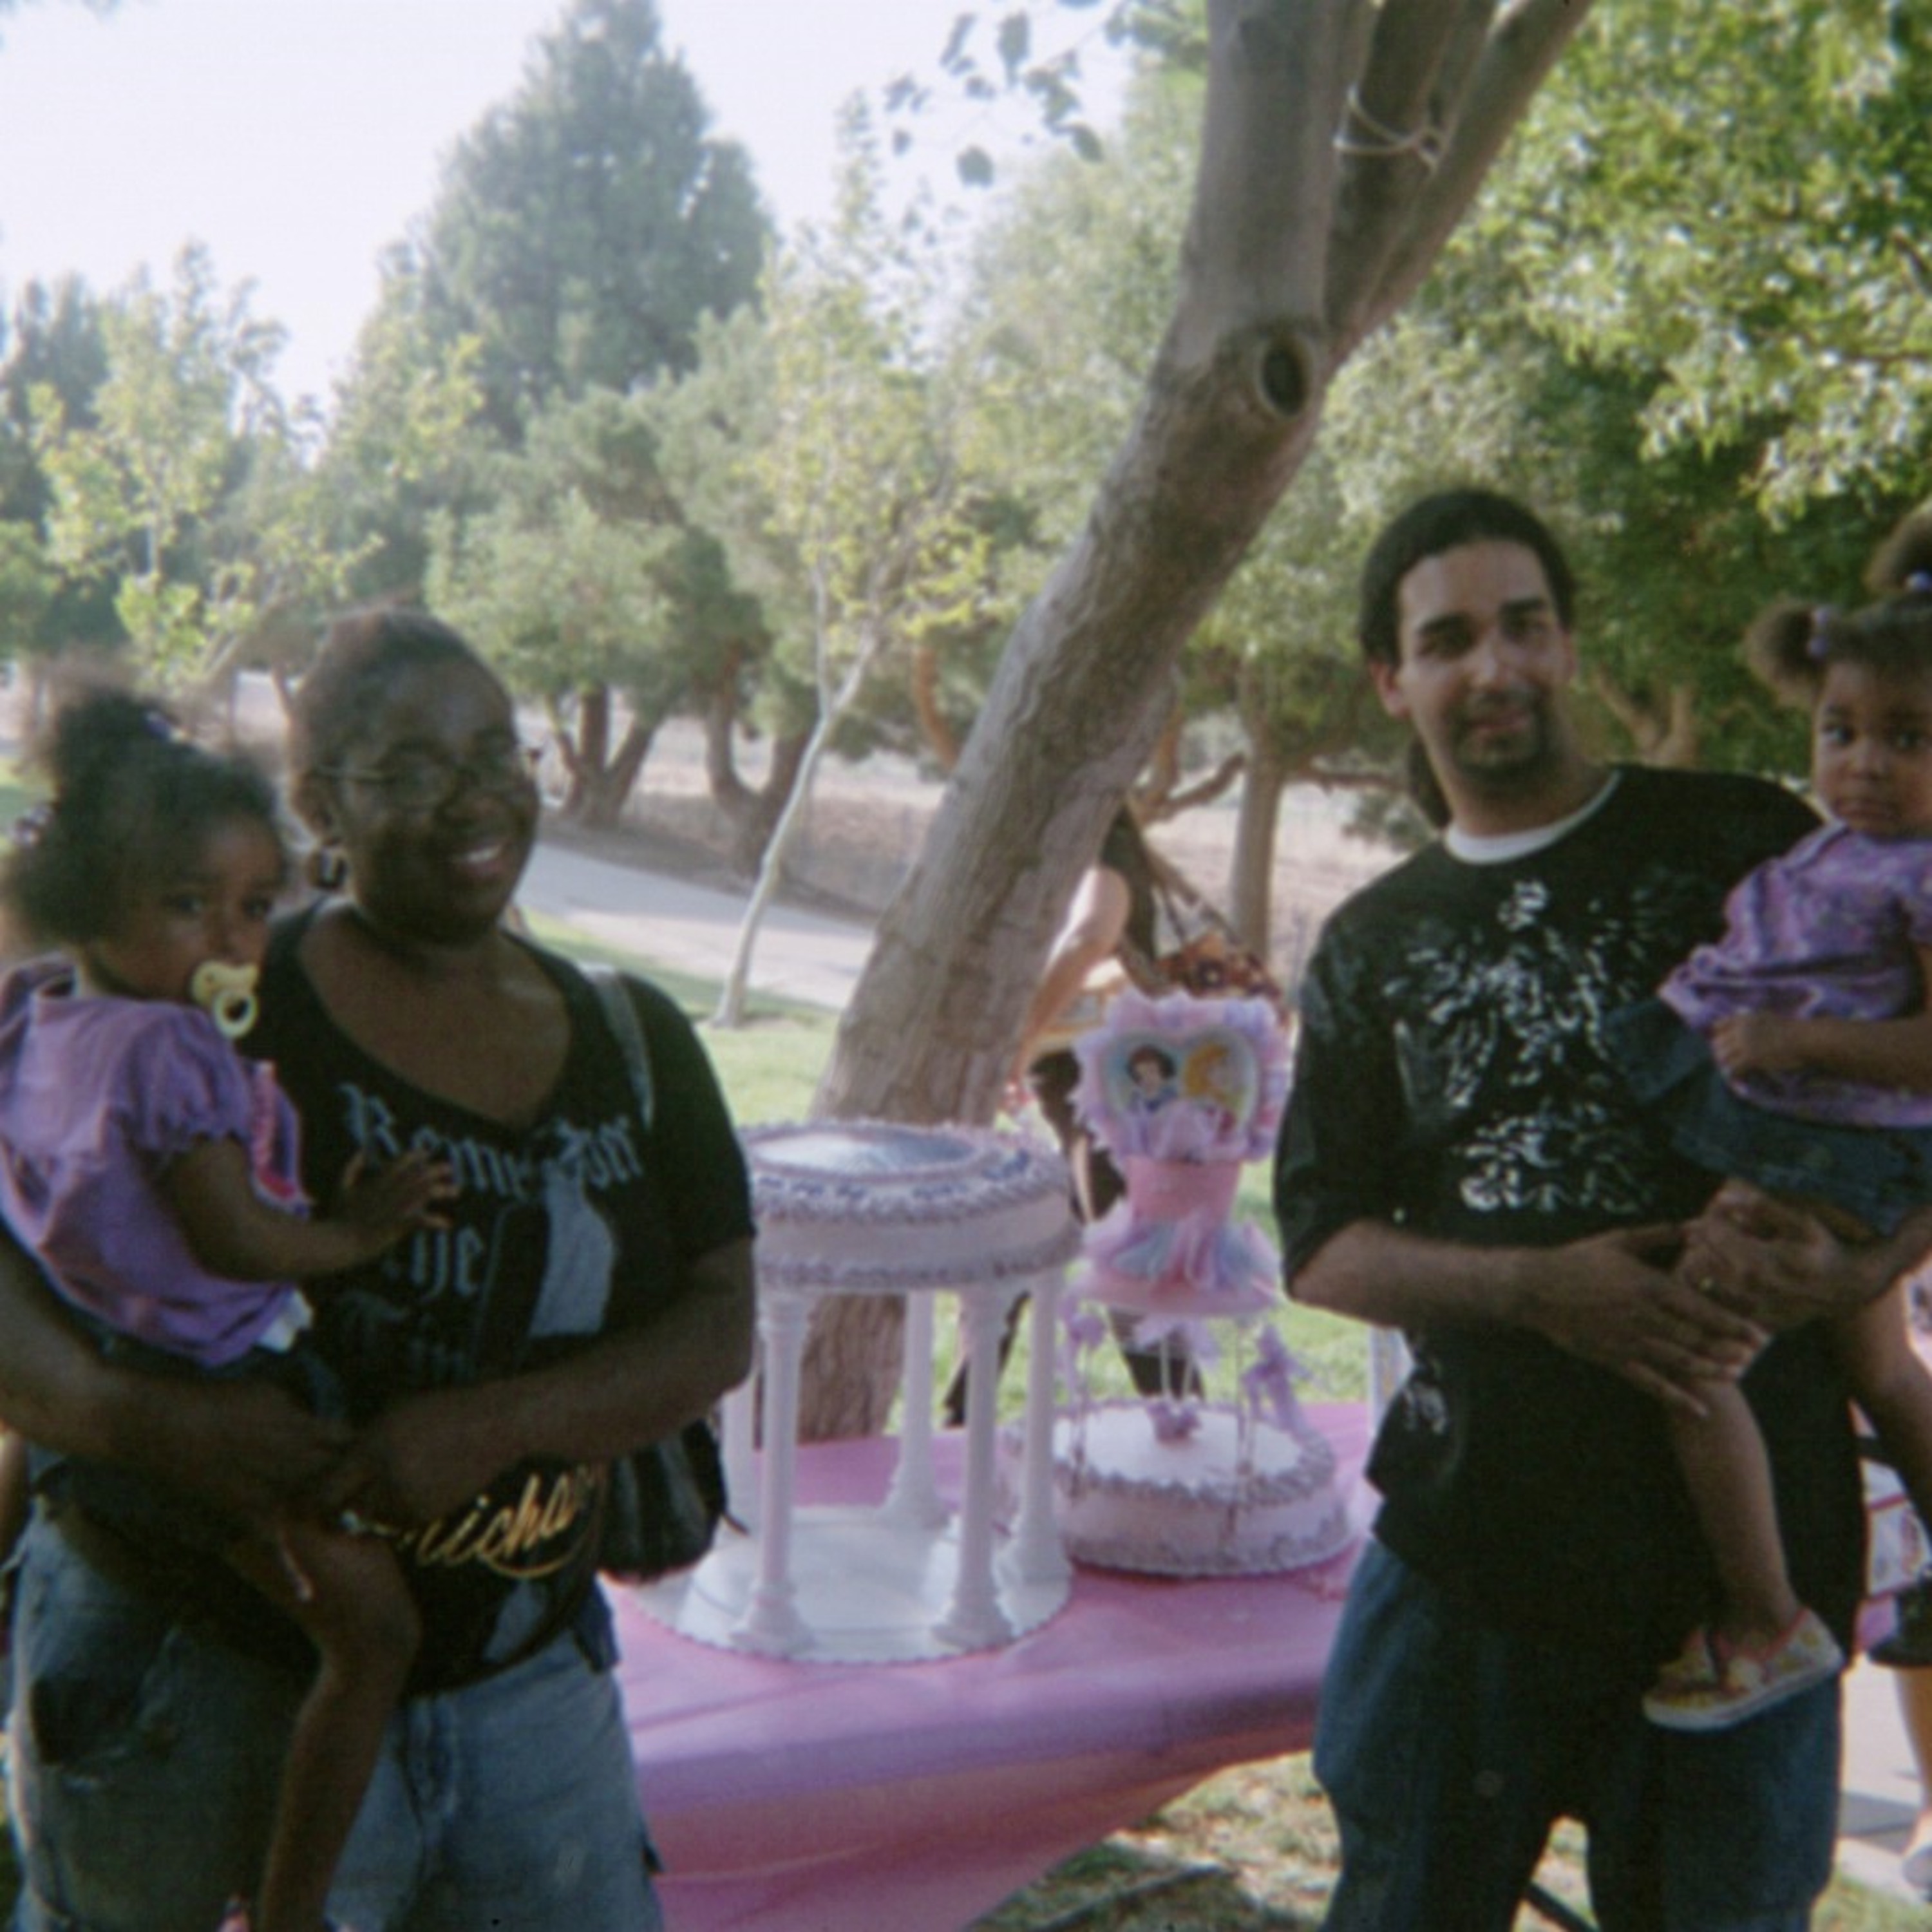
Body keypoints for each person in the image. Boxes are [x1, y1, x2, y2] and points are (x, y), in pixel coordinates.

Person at [0, 610, 756, 1932]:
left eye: (496, 753)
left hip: (530, 1705)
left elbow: (716, 1326)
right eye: (411, 768)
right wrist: (141, 1418)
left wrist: (495, 1426)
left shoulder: (630, 1034)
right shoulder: (214, 993)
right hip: (195, 1683)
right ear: (320, 808)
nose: (472, 797)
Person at [1274, 487, 1932, 1931]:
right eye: (1448, 639)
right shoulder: (1372, 944)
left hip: (1747, 1595)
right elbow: (1320, 1247)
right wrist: (1541, 1291)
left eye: (1525, 625)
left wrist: (1861, 1267)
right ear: (1392, 680)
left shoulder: (1754, 838)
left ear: (1571, 646)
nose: (1494, 665)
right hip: (1473, 1558)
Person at [0, 690, 457, 1932]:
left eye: (256, 907)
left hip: (112, 1354)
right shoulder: (169, 1051)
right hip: (226, 1377)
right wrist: (357, 1233)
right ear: (92, 901)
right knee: (374, 1638)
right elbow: (232, 1236)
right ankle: (293, 1909)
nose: (235, 941)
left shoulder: (40, 1020)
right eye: (187, 905)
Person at [1598, 518, 1932, 1731]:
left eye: (1909, 739)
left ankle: (1766, 1617)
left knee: (1688, 1348)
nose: (1865, 764)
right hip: (1801, 1123)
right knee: (1879, 1365)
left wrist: (1800, 1041)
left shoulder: (1924, 870)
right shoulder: (1840, 849)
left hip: (1832, 1139)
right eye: (1840, 732)